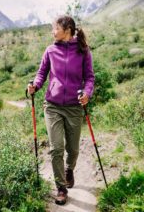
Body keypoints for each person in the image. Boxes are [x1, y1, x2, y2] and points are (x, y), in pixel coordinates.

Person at [27, 15, 95, 205]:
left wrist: (87, 93)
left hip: (74, 107)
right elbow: (42, 73)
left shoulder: (83, 51)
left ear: (67, 30)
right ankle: (61, 188)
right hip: (53, 106)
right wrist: (35, 85)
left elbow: (89, 78)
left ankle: (69, 169)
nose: (52, 32)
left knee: (72, 150)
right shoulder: (50, 50)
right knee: (56, 148)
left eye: (55, 28)